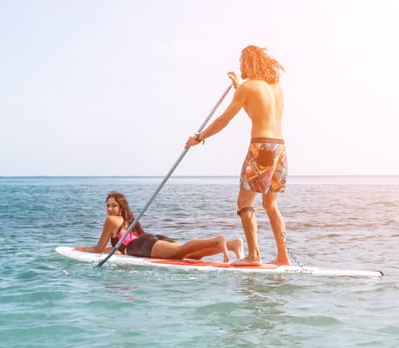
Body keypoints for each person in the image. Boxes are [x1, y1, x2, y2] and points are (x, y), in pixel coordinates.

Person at [185, 45, 290, 266]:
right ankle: (283, 257)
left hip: (261, 149)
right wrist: (237, 87)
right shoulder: (275, 87)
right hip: (280, 148)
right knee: (271, 205)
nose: (240, 65)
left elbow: (224, 120)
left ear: (250, 62)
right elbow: (257, 111)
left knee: (244, 203)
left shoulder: (248, 87)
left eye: (242, 61)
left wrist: (200, 137)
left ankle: (254, 256)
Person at [76, 191, 244, 263]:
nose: (109, 209)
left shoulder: (112, 221)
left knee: (181, 251)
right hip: (149, 241)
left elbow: (98, 248)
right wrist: (107, 250)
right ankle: (232, 244)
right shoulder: (127, 220)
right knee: (191, 255)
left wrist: (83, 249)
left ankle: (218, 239)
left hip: (144, 246)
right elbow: (119, 248)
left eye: (113, 205)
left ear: (120, 207)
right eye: (108, 206)